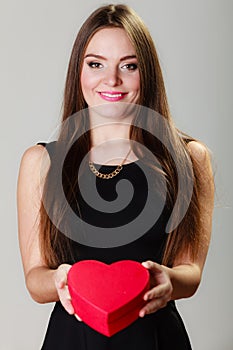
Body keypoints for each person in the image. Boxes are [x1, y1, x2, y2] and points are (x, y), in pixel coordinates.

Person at [17, 4, 214, 350]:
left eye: (129, 66)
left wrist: (168, 280)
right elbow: (35, 280)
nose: (112, 80)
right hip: (72, 339)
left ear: (147, 73)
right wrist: (61, 280)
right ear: (78, 72)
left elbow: (191, 271)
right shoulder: (41, 162)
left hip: (155, 339)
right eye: (96, 64)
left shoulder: (191, 159)